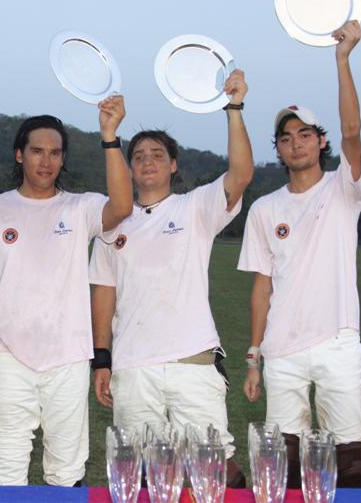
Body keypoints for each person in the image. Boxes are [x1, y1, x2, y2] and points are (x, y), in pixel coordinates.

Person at [89, 70, 253, 487]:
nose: (147, 161)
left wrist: (234, 108)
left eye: (157, 154)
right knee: (145, 476)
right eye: (139, 155)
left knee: (215, 472)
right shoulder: (112, 224)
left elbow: (240, 175)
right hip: (133, 366)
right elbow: (104, 293)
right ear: (129, 167)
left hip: (192, 363)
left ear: (173, 165)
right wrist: (102, 358)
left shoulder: (195, 207)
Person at [237, 20, 361, 488]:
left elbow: (353, 131)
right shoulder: (264, 208)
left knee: (351, 459)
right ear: (278, 148)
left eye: (304, 134)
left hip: (337, 341)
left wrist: (342, 59)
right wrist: (254, 355)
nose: (295, 143)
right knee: (284, 464)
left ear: (321, 141)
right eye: (286, 137)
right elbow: (262, 288)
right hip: (282, 349)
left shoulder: (343, 188)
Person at [0, 98, 133, 486]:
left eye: (55, 153)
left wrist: (110, 136)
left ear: (63, 159)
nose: (46, 161)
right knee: (7, 463)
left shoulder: (80, 208)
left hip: (68, 357)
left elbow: (123, 205)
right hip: (9, 354)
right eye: (37, 151)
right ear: (20, 154)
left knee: (66, 467)